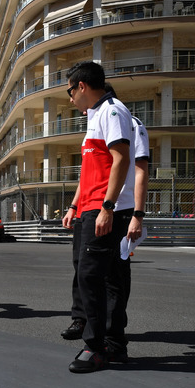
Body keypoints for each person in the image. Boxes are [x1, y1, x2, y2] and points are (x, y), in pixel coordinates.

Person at [61, 84, 150, 353]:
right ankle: (86, 323)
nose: (71, 98)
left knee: (111, 277)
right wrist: (74, 206)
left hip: (115, 209)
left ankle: (109, 339)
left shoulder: (127, 121)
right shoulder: (94, 123)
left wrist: (137, 214)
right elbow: (88, 173)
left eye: (72, 91)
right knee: (84, 270)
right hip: (90, 209)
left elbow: (139, 170)